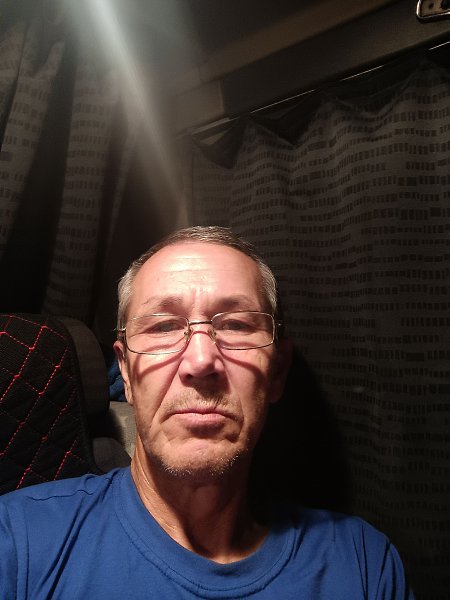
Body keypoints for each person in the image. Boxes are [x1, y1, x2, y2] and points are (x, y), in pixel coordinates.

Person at [0, 226, 414, 599]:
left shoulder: (363, 565)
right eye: (163, 326)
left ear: (277, 372)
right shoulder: (18, 542)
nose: (201, 361)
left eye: (236, 325)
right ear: (125, 373)